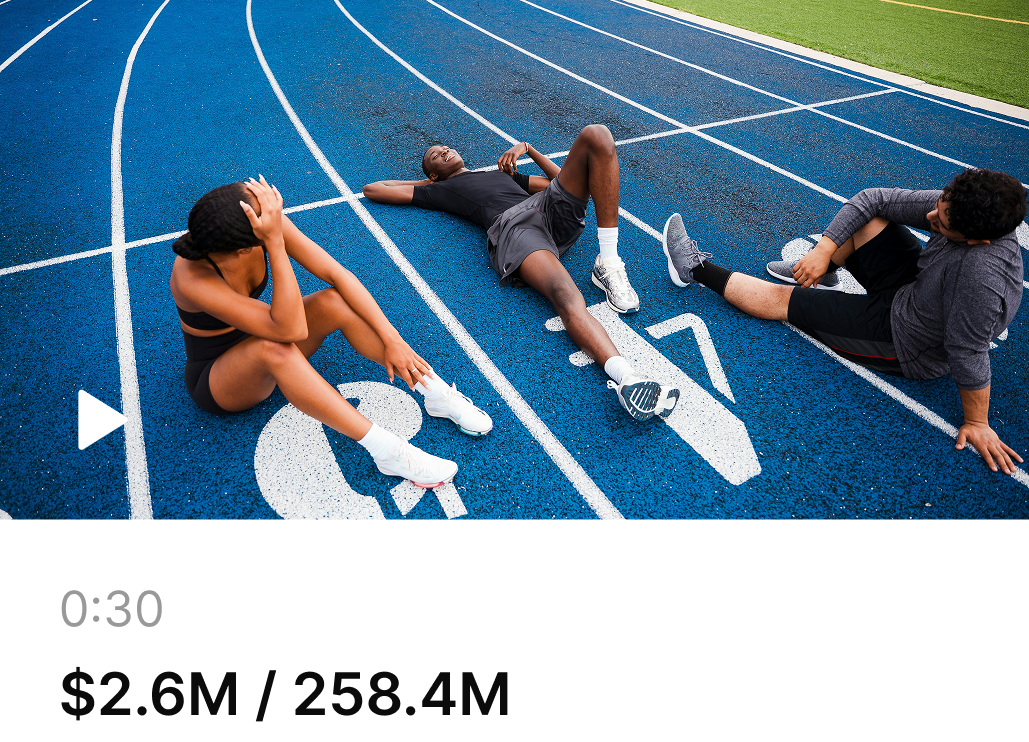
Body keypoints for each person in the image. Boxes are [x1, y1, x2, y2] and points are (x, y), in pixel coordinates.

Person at [661, 168, 1026, 474]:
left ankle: (693, 269)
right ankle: (820, 270)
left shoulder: (980, 280)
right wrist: (823, 250)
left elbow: (967, 350)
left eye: (941, 224)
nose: (931, 218)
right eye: (938, 207)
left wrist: (977, 422)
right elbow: (873, 199)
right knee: (869, 220)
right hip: (918, 289)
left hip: (907, 340)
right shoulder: (962, 207)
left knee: (784, 301)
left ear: (977, 241)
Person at [170, 176, 492, 488]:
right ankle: (388, 451)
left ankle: (433, 391)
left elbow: (338, 275)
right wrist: (275, 242)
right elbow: (291, 329)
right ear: (244, 248)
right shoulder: (193, 278)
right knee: (274, 349)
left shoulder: (258, 222)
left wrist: (393, 340)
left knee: (333, 302)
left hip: (264, 333)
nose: (274, 212)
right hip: (219, 378)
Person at [362, 125, 680, 422]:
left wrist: (528, 149)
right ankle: (627, 378)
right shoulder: (438, 190)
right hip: (516, 228)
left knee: (596, 135)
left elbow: (561, 180)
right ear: (433, 173)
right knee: (566, 296)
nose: (444, 151)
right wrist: (429, 183)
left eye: (444, 147)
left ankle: (608, 260)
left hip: (547, 209)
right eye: (436, 155)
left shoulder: (500, 174)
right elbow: (374, 189)